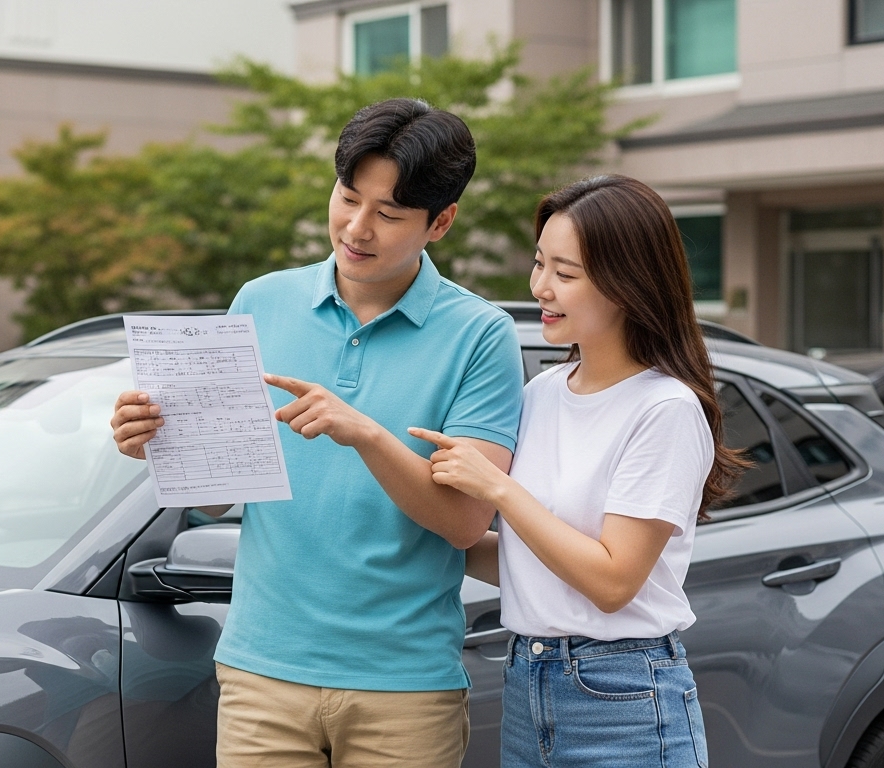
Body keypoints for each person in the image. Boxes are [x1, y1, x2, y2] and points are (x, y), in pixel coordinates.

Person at [111, 98, 525, 768]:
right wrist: (156, 442)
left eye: (389, 213)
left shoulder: (480, 335)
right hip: (261, 672)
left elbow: (464, 521)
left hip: (404, 687)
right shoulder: (260, 301)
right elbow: (216, 499)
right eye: (348, 197)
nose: (357, 228)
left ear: (441, 222)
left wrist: (366, 434)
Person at [412, 174, 744, 768]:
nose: (540, 286)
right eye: (539, 263)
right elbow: (527, 560)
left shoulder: (665, 408)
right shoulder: (541, 393)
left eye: (565, 273)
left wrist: (497, 489)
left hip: (624, 695)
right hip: (527, 683)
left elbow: (612, 583)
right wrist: (407, 510)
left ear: (627, 284)